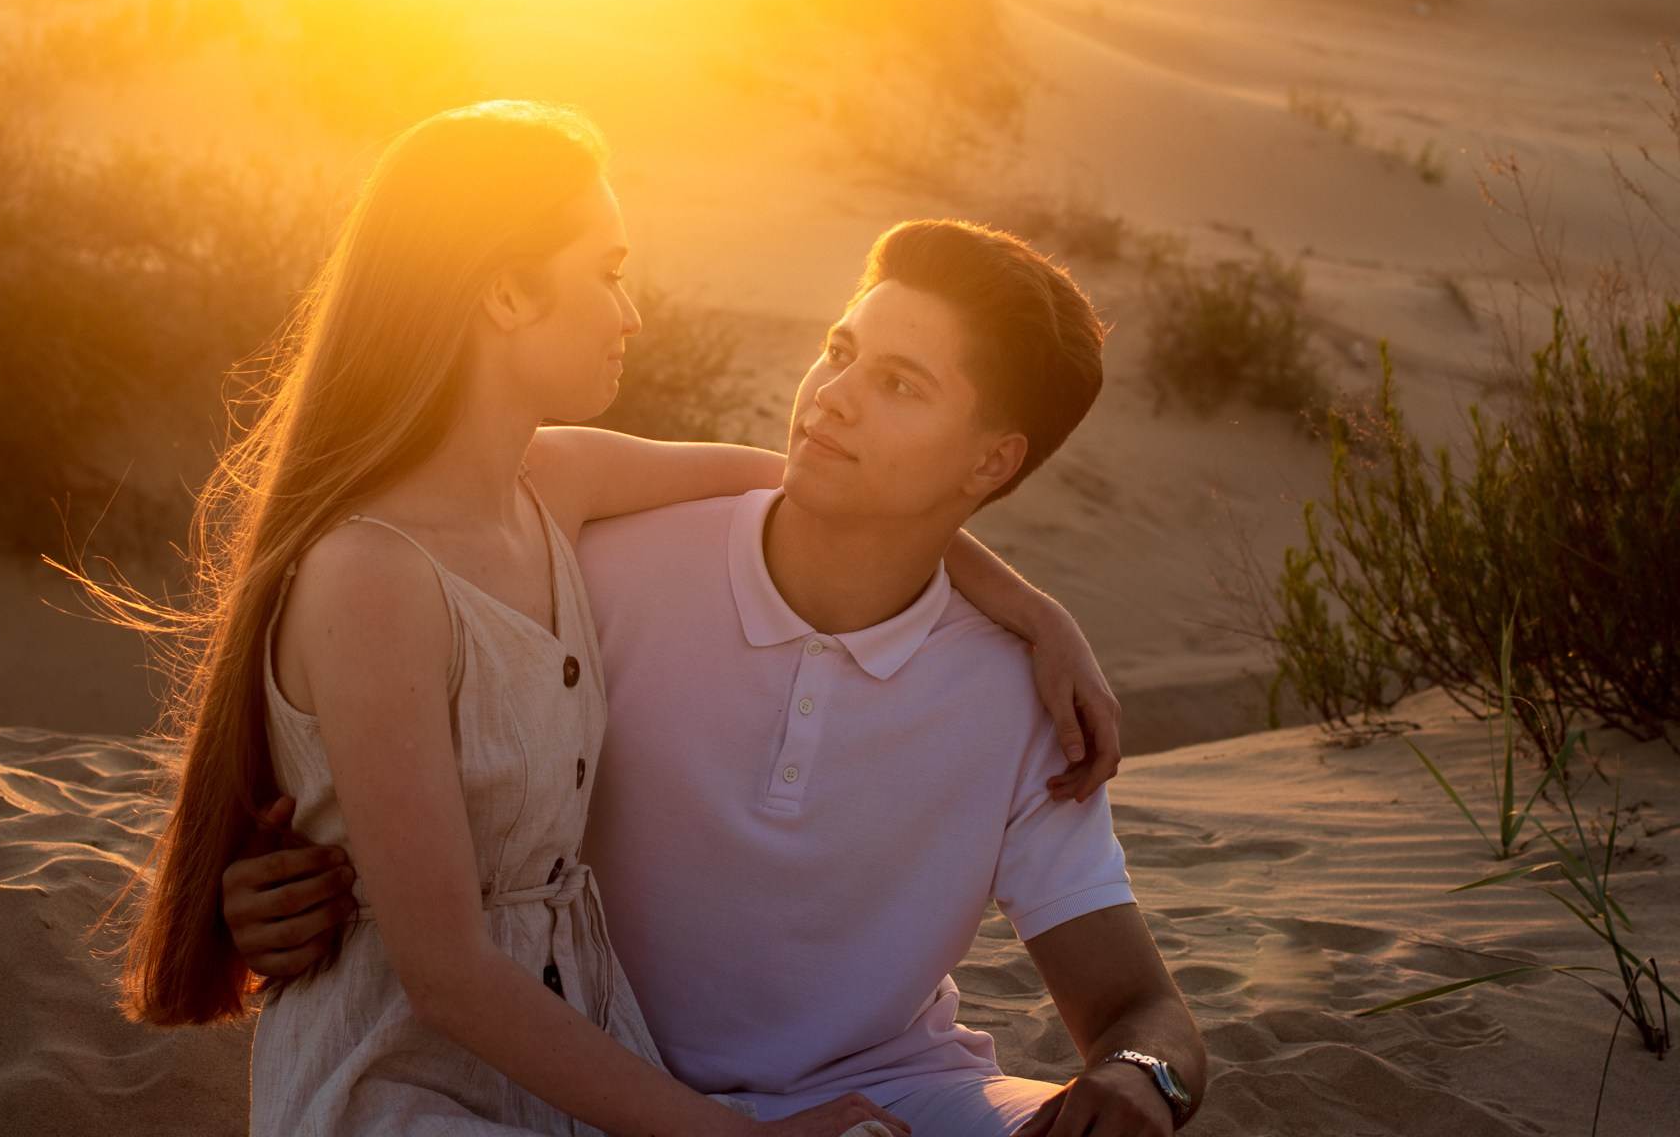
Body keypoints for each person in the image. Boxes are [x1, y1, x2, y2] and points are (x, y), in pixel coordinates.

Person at [121, 101, 1117, 1137]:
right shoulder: (373, 572)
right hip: (406, 1082)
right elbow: (445, 976)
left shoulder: (554, 484)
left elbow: (817, 481)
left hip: (574, 1062)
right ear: (506, 291)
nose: (631, 313)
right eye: (606, 272)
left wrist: (1029, 607)